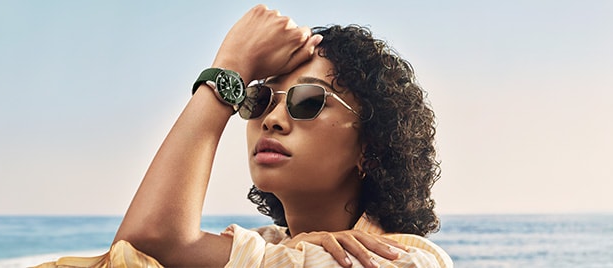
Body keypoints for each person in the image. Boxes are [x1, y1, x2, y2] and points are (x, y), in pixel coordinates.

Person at [36, 4, 451, 268]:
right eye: (257, 99)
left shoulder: (399, 261)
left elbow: (152, 240)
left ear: (372, 149)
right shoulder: (273, 247)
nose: (271, 119)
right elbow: (139, 248)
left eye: (307, 101)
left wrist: (228, 70)